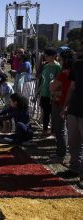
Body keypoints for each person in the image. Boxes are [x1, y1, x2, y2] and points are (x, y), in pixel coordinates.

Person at [62, 40, 83, 187]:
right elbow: (72, 87)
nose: (79, 50)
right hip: (74, 108)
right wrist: (66, 106)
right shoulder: (77, 65)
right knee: (73, 142)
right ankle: (75, 168)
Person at [49, 50, 74, 161]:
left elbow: (52, 87)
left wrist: (53, 83)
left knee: (60, 129)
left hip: (61, 103)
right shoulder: (75, 72)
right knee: (69, 131)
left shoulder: (64, 73)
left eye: (61, 59)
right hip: (72, 105)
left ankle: (61, 153)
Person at [38, 48, 62, 136]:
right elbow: (42, 79)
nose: (45, 57)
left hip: (52, 95)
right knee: (45, 113)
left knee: (53, 114)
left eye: (47, 56)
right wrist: (38, 91)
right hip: (44, 93)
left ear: (54, 56)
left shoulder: (58, 67)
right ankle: (45, 130)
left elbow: (59, 82)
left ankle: (53, 131)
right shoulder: (46, 66)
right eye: (44, 56)